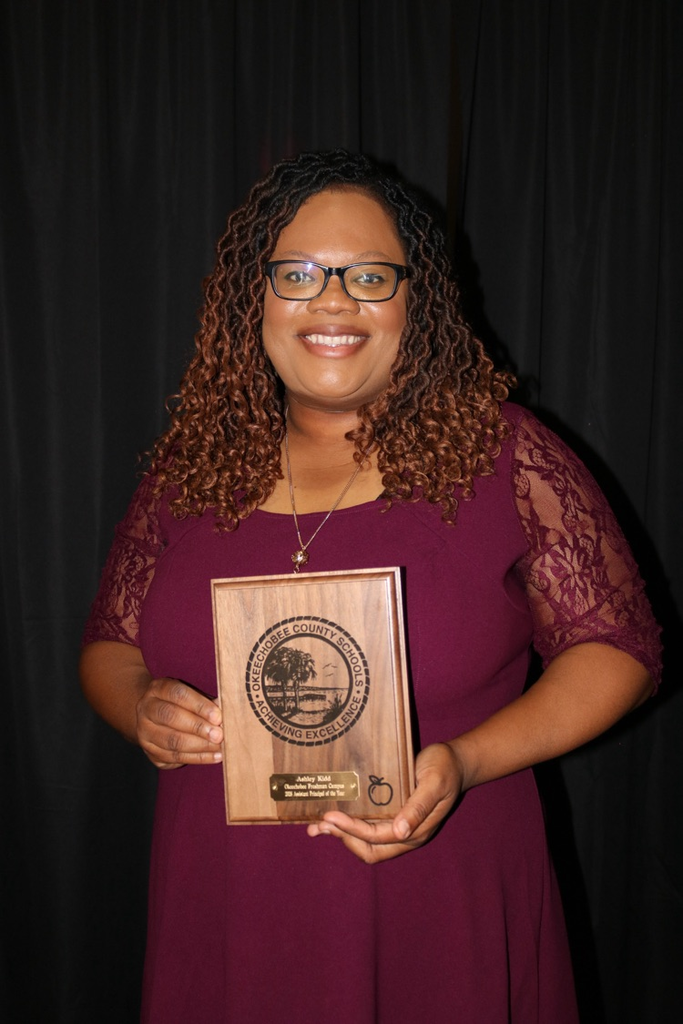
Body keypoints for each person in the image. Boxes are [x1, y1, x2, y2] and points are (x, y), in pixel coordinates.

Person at [80, 149, 661, 1023]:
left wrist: (466, 761)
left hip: (440, 889)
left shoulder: (503, 454)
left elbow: (618, 647)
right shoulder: (188, 470)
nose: (333, 299)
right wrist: (139, 707)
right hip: (226, 904)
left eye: (369, 275)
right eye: (300, 273)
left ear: (414, 302)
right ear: (254, 297)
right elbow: (109, 642)